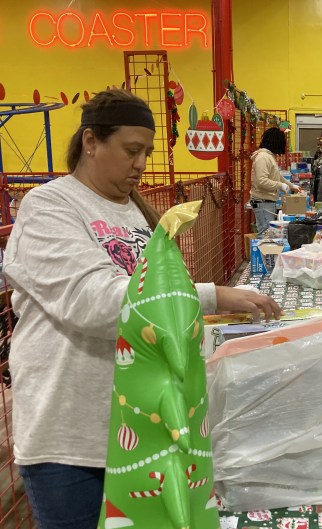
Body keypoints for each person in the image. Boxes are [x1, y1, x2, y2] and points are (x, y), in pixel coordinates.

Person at [3, 89, 282, 529]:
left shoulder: (133, 210)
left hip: (142, 430)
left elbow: (154, 295)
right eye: (132, 151)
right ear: (91, 142)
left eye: (147, 153)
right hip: (73, 440)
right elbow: (94, 301)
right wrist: (211, 295)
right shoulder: (50, 207)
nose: (141, 164)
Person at [250, 127, 300, 234]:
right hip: (262, 202)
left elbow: (277, 176)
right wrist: (280, 185)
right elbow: (261, 181)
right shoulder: (263, 158)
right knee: (265, 233)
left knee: (268, 232)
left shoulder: (269, 157)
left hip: (267, 202)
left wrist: (291, 186)